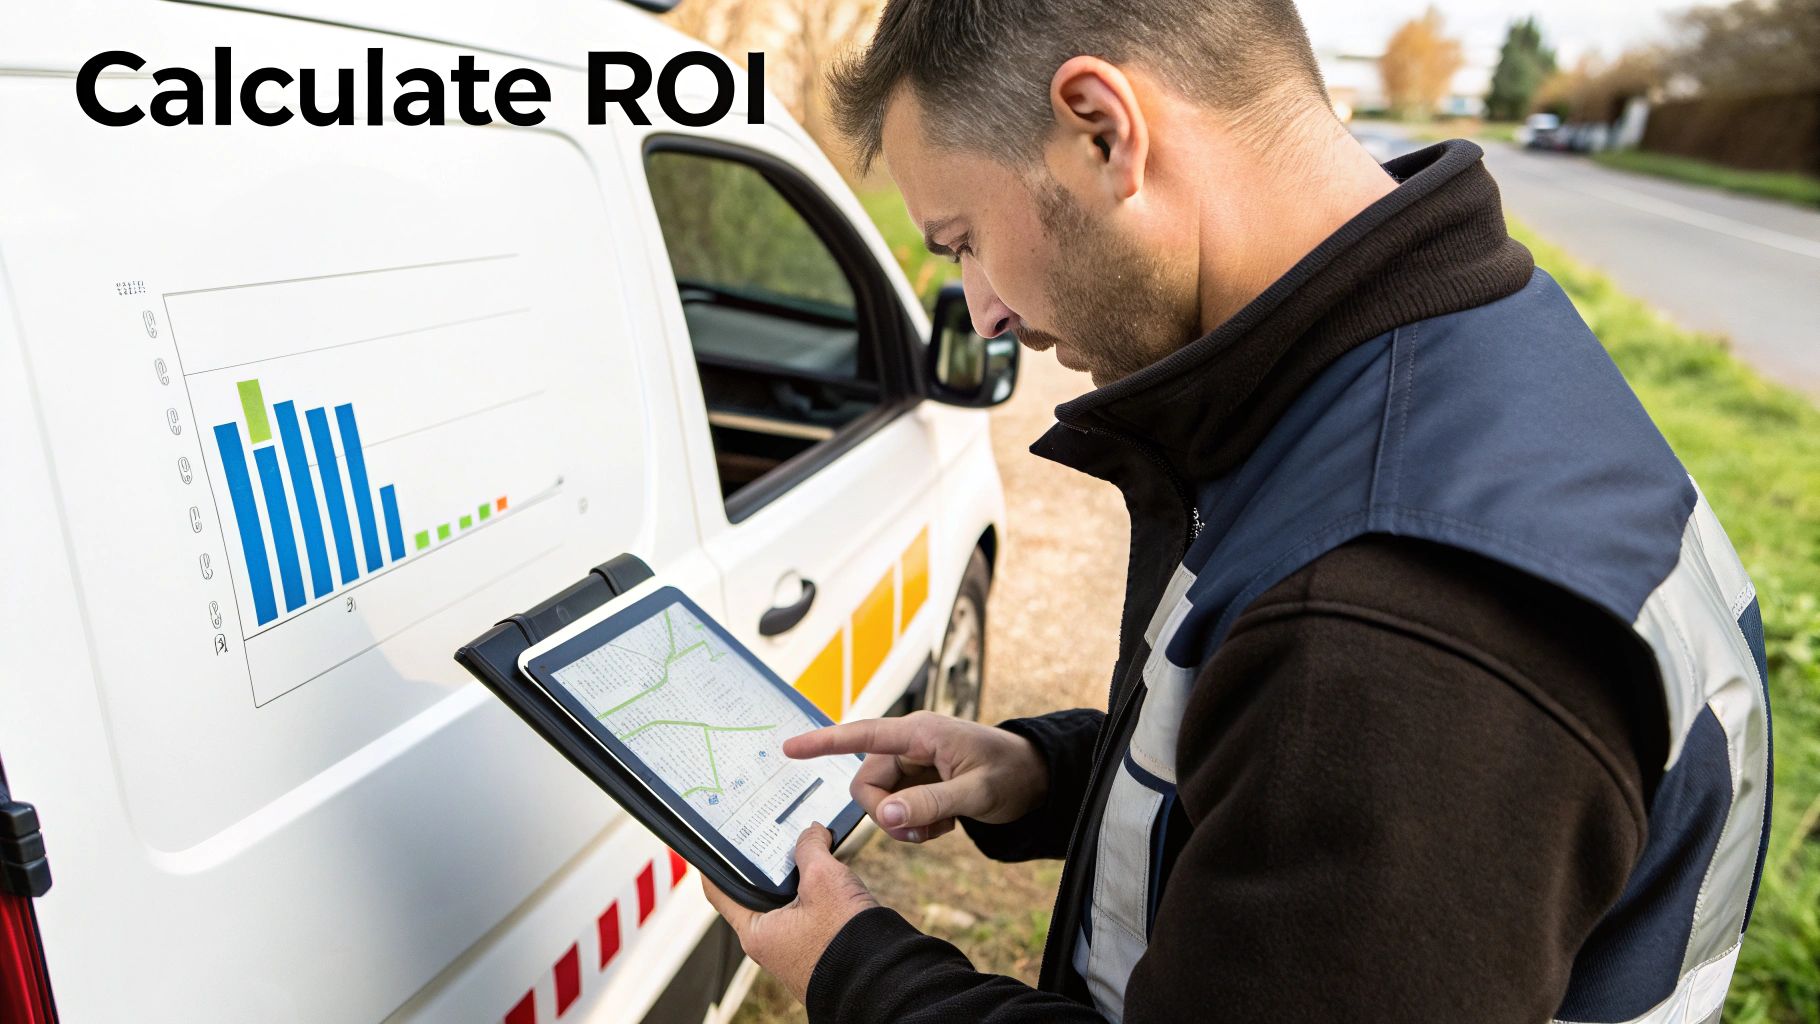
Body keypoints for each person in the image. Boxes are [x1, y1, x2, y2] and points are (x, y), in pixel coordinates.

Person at [699, 2, 1773, 1021]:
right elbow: (1312, 827)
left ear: (1100, 129)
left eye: (960, 237)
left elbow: (1356, 734)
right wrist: (1046, 776)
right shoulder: (1444, 362)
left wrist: (852, 964)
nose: (981, 311)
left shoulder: (1398, 623)